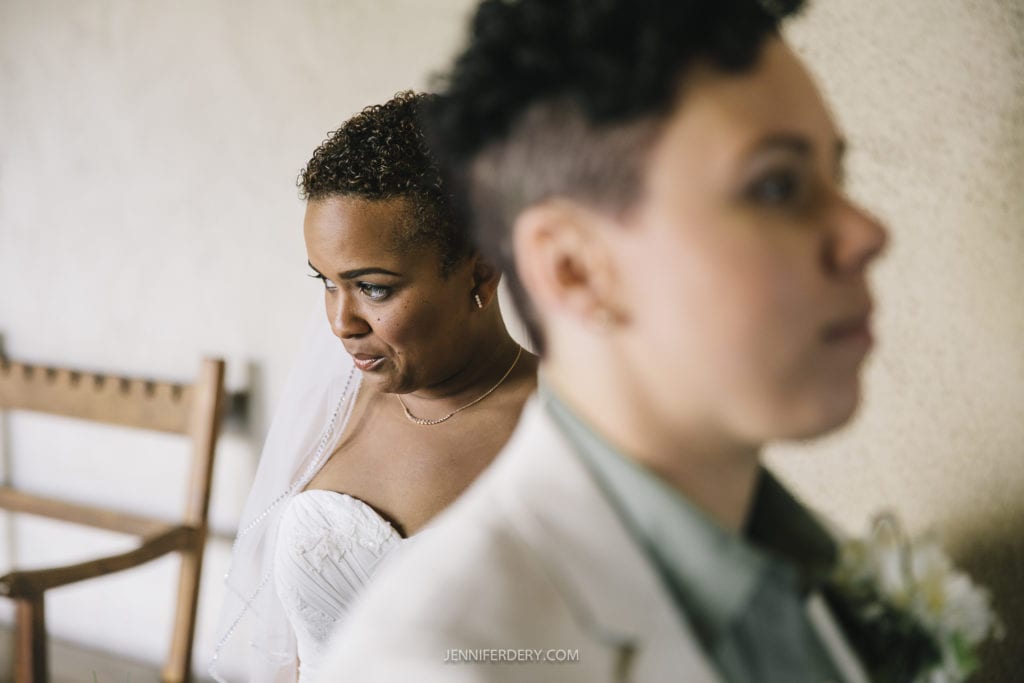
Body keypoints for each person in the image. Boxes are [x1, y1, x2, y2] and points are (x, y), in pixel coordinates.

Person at [317, 0, 897, 681]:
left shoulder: (815, 568)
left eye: (838, 177)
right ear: (574, 269)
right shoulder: (440, 659)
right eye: (776, 186)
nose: (866, 232)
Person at [209, 91, 537, 683]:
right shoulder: (331, 407)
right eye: (326, 283)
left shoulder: (567, 427)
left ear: (482, 271)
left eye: (374, 288)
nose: (340, 323)